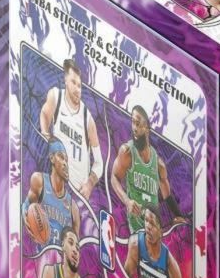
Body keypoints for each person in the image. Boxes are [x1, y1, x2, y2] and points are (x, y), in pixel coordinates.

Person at [111, 104, 186, 233]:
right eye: (133, 122)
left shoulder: (159, 164)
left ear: (147, 128)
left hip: (154, 230)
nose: (134, 128)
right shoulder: (127, 152)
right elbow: (114, 177)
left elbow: (167, 195)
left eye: (138, 124)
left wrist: (178, 215)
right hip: (135, 230)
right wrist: (127, 201)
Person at [39, 58, 102, 198]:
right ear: (66, 80)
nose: (77, 89)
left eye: (79, 85)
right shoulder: (56, 96)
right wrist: (45, 134)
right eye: (73, 82)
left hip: (78, 195)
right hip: (57, 186)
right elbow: (44, 114)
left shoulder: (87, 119)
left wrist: (89, 184)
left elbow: (99, 163)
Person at [23, 138, 80, 246]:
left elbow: (76, 247)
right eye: (61, 157)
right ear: (52, 158)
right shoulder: (39, 181)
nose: (65, 163)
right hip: (40, 254)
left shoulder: (73, 208)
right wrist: (24, 213)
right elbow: (26, 205)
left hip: (59, 256)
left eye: (66, 160)